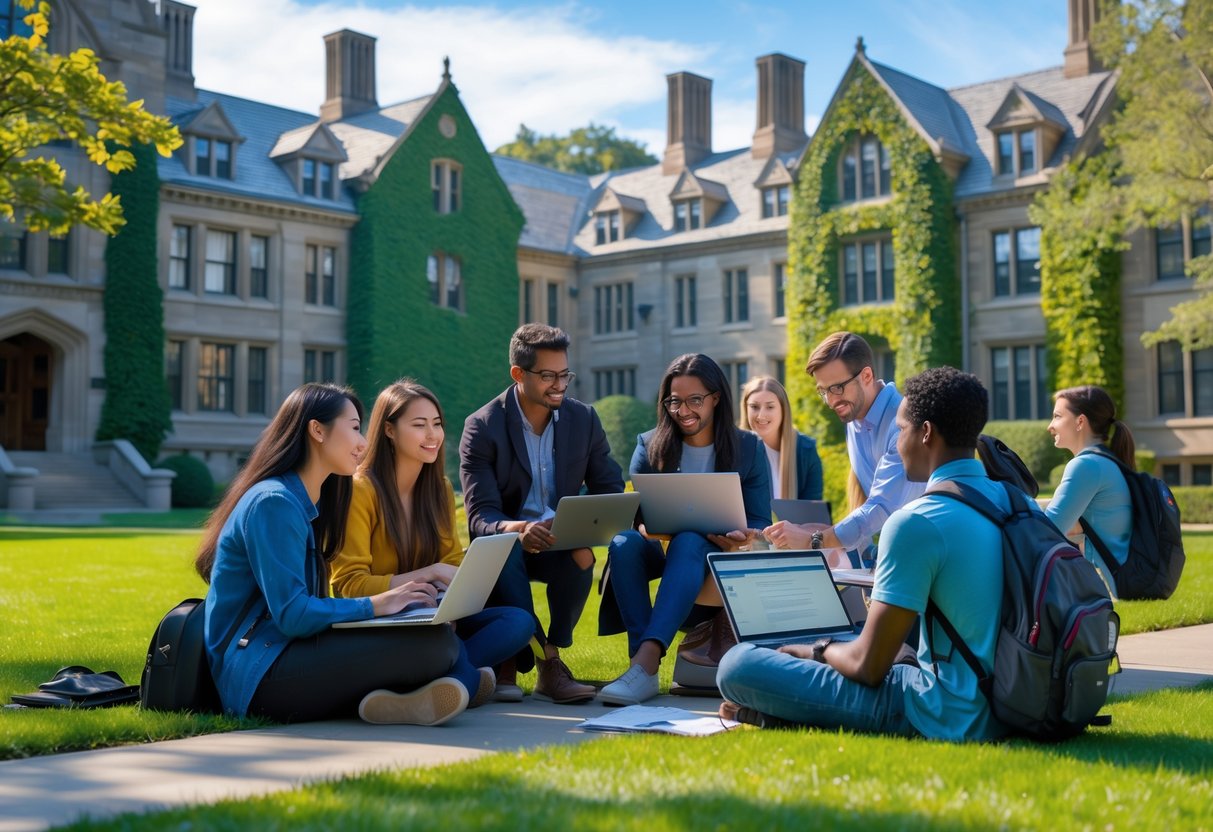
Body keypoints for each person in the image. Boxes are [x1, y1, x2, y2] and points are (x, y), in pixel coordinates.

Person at [717, 367, 1009, 741]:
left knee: (738, 664)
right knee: (848, 634)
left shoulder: (917, 522)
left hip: (945, 707)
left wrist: (814, 650)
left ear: (926, 434)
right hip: (1007, 698)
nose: (897, 443)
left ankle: (785, 703)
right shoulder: (1012, 502)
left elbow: (868, 667)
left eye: (900, 430)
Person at [197, 383, 475, 726]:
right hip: (256, 672)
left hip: (286, 651)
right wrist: (377, 605)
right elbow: (292, 615)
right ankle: (462, 682)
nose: (363, 443)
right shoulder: (274, 503)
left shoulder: (307, 500)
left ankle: (398, 702)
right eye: (355, 428)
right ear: (317, 430)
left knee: (435, 638)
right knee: (434, 646)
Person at [330, 380, 534, 704]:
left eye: (437, 424)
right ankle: (460, 679)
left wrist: (448, 601)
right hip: (383, 622)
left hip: (433, 617)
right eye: (419, 425)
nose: (432, 435)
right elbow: (348, 586)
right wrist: (424, 577)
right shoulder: (360, 491)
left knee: (518, 621)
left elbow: (450, 561)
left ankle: (439, 679)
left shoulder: (438, 487)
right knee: (443, 640)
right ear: (389, 431)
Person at [460, 323, 626, 704]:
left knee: (582, 557)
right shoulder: (482, 427)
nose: (559, 384)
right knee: (505, 548)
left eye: (564, 374)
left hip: (559, 540)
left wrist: (581, 524)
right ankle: (545, 663)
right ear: (518, 374)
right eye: (548, 375)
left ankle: (545, 652)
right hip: (507, 546)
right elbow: (480, 516)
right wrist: (517, 528)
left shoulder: (584, 420)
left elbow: (609, 488)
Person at [598, 353, 771, 705]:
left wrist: (742, 537)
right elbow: (637, 518)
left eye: (695, 400)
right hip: (661, 552)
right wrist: (647, 528)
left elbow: (759, 522)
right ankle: (641, 664)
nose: (684, 410)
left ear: (716, 399)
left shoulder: (748, 448)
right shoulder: (649, 446)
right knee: (622, 542)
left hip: (713, 561)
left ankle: (644, 666)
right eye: (675, 401)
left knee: (690, 539)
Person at [764, 332, 923, 566]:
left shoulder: (902, 424)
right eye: (823, 391)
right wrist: (815, 532)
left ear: (866, 375)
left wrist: (813, 539)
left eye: (837, 387)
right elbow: (866, 505)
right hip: (892, 554)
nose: (830, 401)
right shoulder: (855, 416)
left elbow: (881, 508)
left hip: (926, 557)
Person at [1045, 385, 1134, 596]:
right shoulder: (1106, 460)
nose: (1050, 426)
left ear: (1080, 422)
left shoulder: (1086, 466)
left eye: (1057, 416)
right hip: (1125, 577)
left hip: (1113, 588)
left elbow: (1048, 530)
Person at [739, 375, 823, 502]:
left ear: (783, 410)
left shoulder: (805, 450)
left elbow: (812, 508)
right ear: (745, 409)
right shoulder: (734, 450)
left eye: (770, 407)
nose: (761, 416)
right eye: (754, 407)